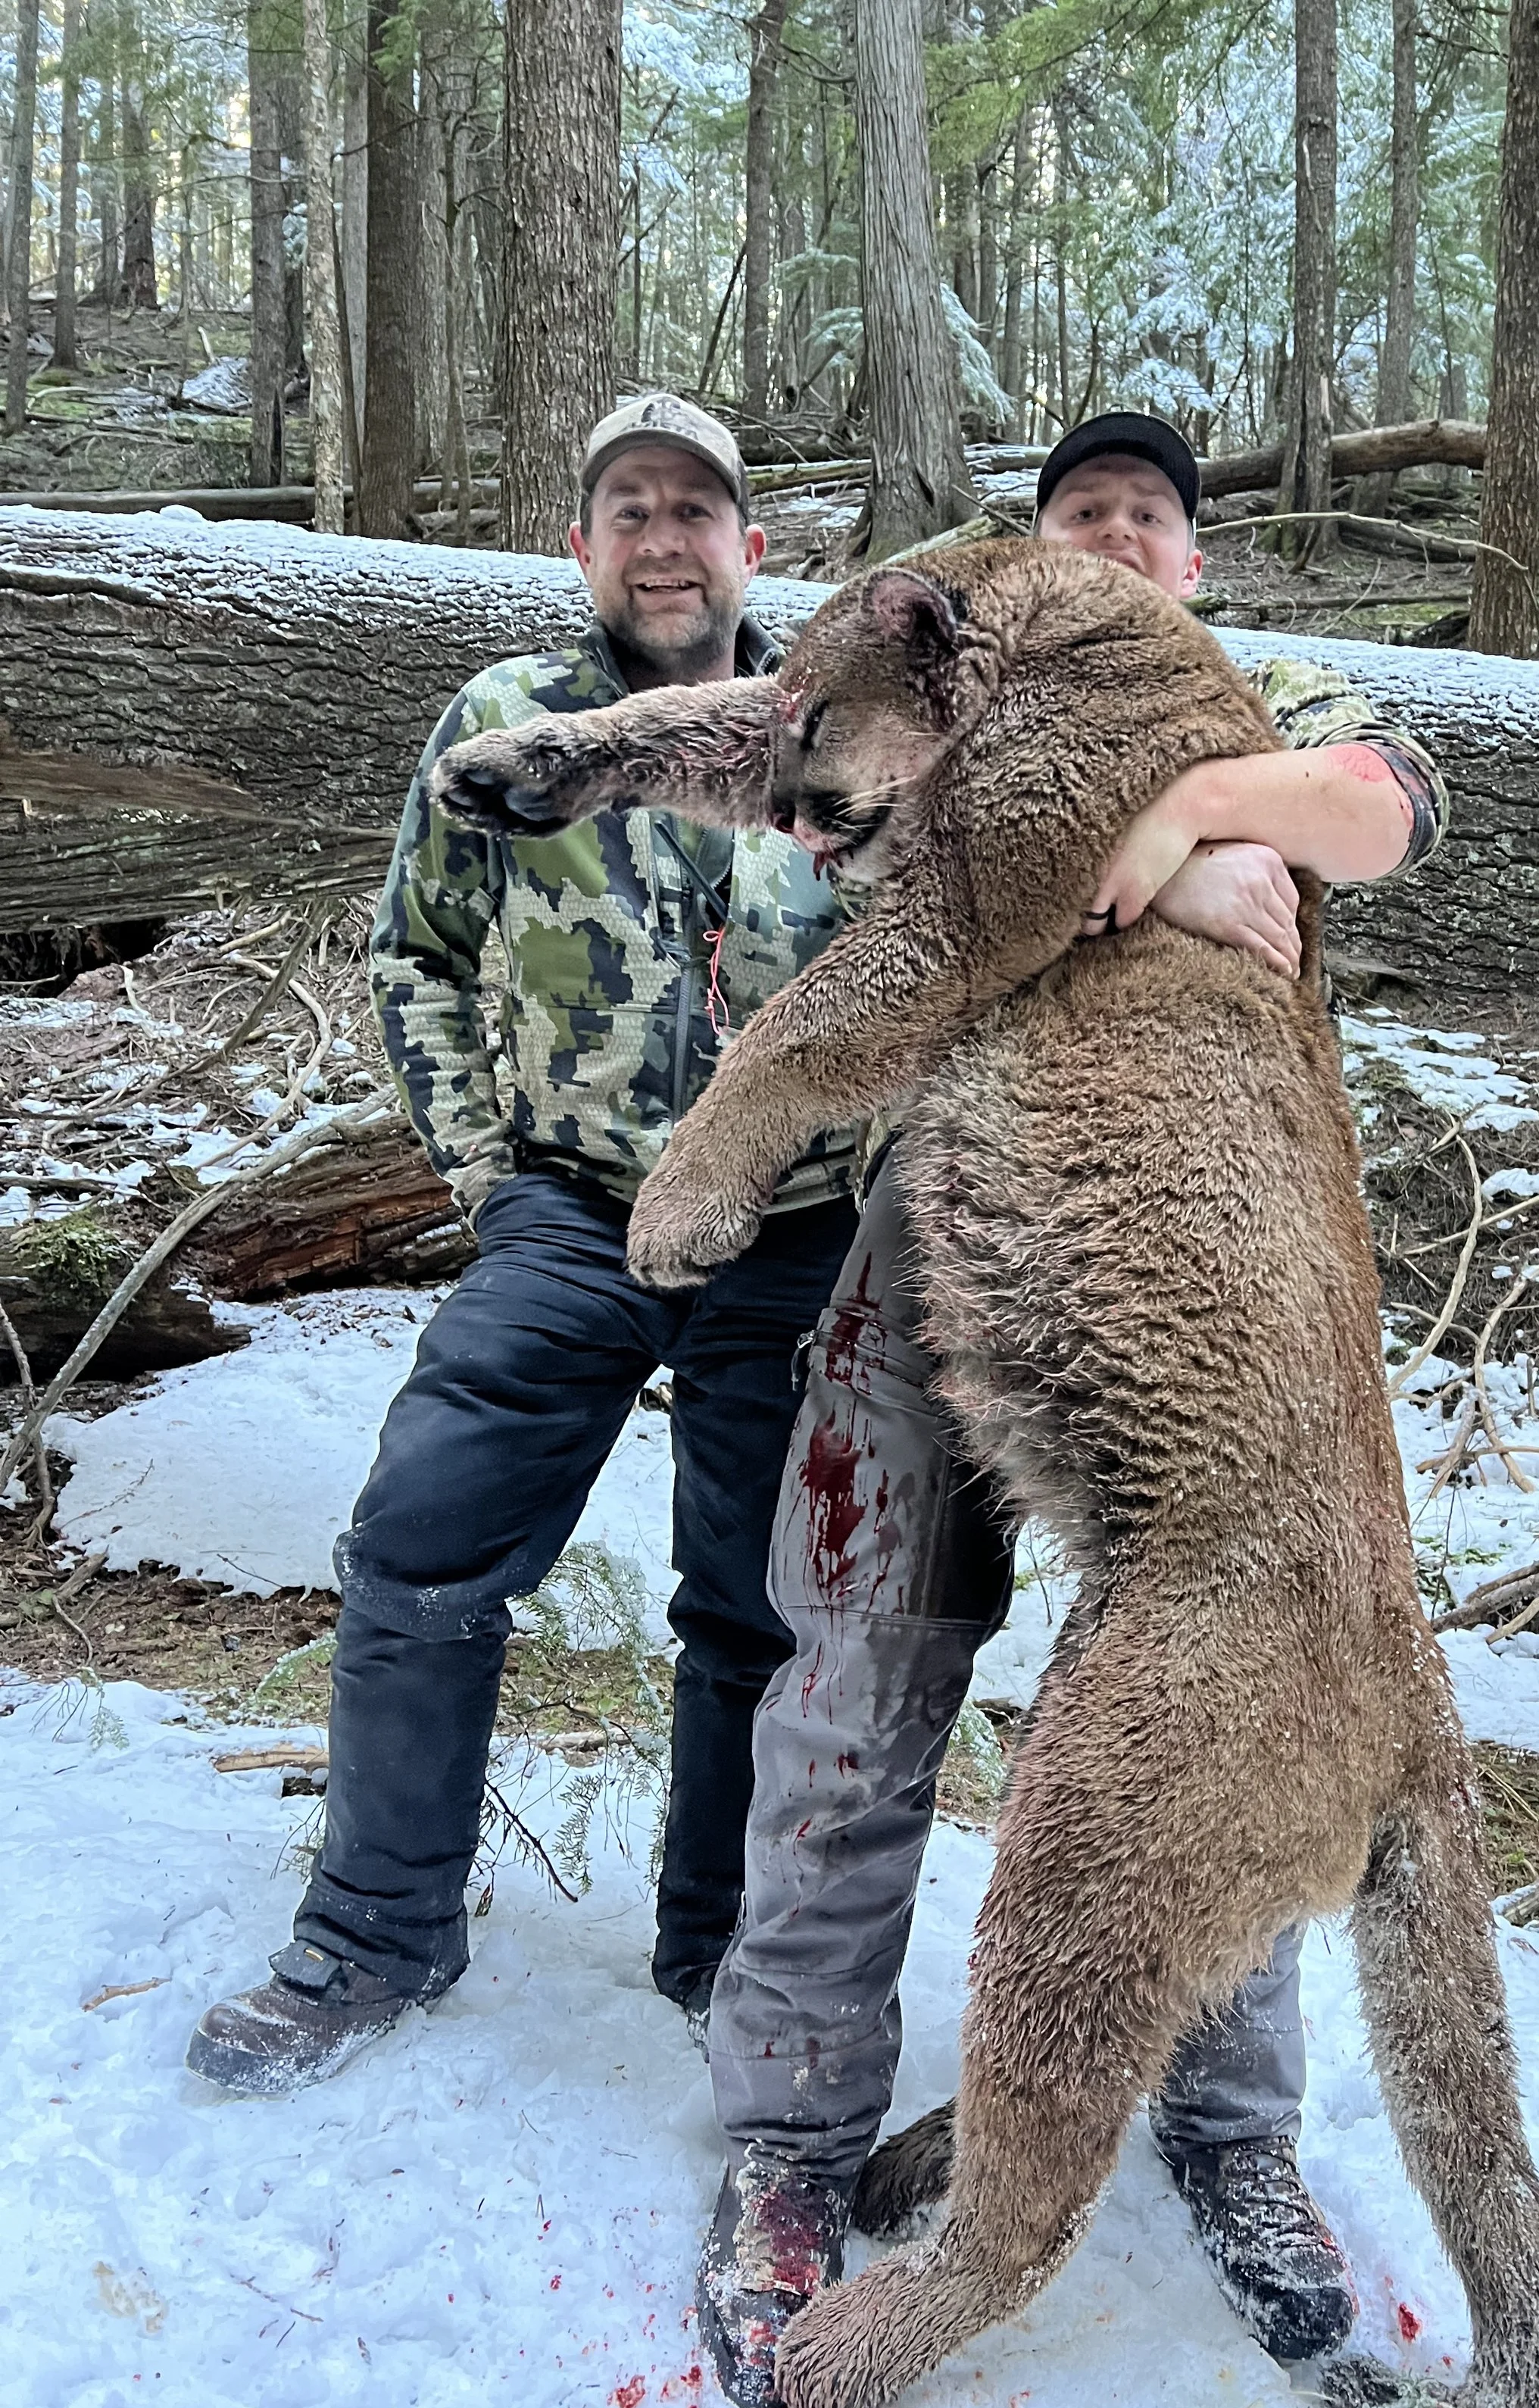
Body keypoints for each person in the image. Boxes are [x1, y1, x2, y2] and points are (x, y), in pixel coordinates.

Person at [694, 412, 1449, 2408]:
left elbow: (1376, 812)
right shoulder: (929, 704)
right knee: (852, 1679)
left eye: (1149, 516)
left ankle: (1227, 2129)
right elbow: (834, 911)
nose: (1115, 534)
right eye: (1078, 512)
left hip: (1201, 1289)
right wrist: (1165, 871)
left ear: (1192, 567)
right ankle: (789, 2132)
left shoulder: (1267, 697)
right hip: (943, 1243)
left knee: (1226, 1688)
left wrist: (1179, 811)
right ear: (1019, 563)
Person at [186, 393, 869, 2093]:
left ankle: (721, 1945)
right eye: (627, 509)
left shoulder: (842, 733)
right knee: (422, 1539)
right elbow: (413, 951)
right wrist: (484, 1178)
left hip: (793, 1229)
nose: (662, 539)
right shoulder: (508, 722)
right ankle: (377, 1931)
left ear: (750, 545)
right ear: (579, 547)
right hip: (571, 1209)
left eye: (693, 510)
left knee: (764, 1609)